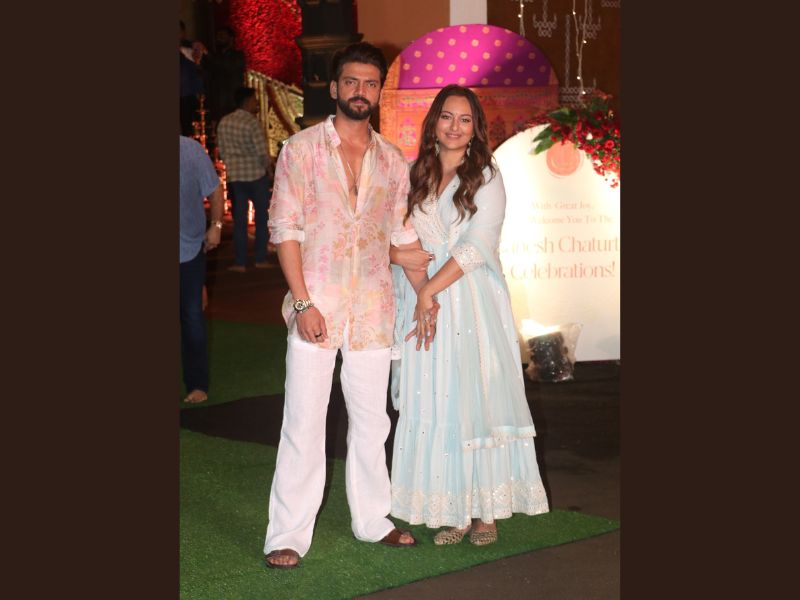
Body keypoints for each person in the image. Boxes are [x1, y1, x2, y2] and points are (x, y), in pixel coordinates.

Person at [262, 42, 429, 570]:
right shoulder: (301, 150)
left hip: (374, 311)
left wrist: (429, 290)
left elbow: (401, 235)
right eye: (352, 82)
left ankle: (373, 520)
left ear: (379, 92)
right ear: (334, 88)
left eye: (370, 84)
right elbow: (285, 230)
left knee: (373, 422)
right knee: (304, 422)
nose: (361, 92)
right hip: (316, 307)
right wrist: (302, 303)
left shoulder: (393, 160)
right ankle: (287, 534)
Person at [389, 85, 550, 546]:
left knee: (473, 399)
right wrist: (419, 289)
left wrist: (431, 291)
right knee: (435, 399)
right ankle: (453, 509)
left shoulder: (487, 175)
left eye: (464, 119)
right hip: (420, 297)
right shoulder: (415, 172)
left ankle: (485, 512)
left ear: (476, 127)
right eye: (447, 116)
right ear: (433, 123)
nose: (455, 127)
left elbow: (478, 245)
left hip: (470, 301)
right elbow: (397, 235)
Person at [180, 135, 224, 404]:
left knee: (192, 316)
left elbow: (215, 189)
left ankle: (197, 383)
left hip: (188, 248)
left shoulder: (190, 150)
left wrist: (216, 226)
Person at [216, 86, 272, 272]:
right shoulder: (252, 122)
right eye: (255, 100)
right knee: (261, 219)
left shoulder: (224, 122)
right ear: (247, 101)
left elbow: (222, 151)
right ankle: (260, 258)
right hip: (256, 176)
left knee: (239, 222)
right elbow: (262, 153)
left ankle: (240, 262)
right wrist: (269, 169)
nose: (256, 103)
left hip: (235, 177)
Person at [207, 26, 246, 126]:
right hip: (217, 101)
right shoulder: (215, 56)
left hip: (232, 101)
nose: (219, 39)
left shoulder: (238, 56)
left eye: (222, 36)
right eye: (217, 36)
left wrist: (207, 55)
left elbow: (227, 66)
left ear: (231, 38)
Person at [179, 21, 205, 138]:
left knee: (187, 128)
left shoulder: (191, 49)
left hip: (187, 94)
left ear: (183, 33)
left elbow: (200, 71)